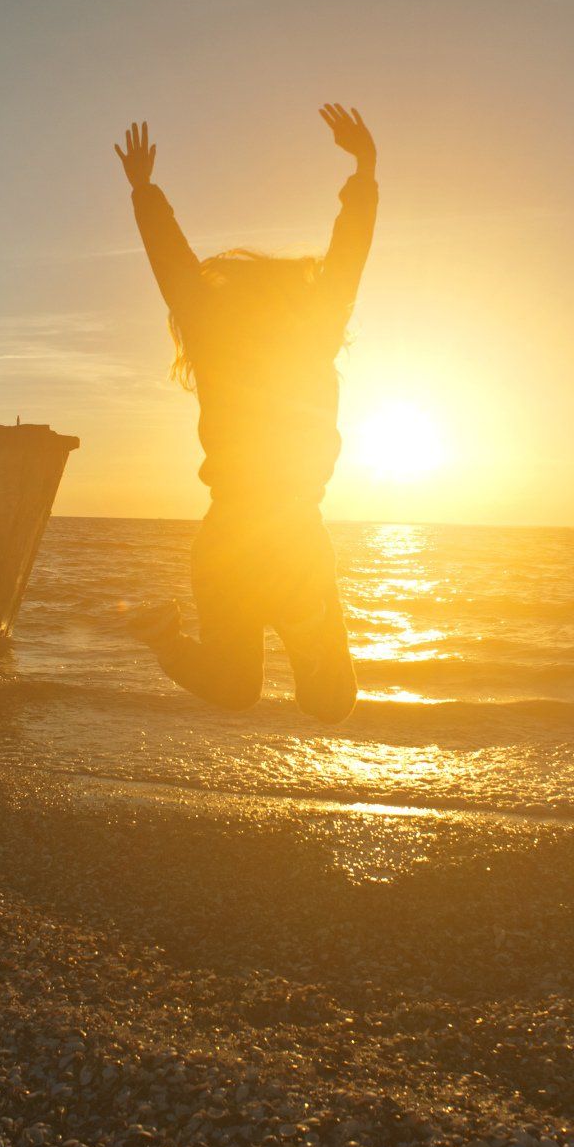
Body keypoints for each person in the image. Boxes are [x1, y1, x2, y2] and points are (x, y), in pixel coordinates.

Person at [114, 105, 378, 724]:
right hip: (291, 531)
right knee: (332, 704)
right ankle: (303, 615)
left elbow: (175, 272)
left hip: (227, 536)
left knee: (235, 689)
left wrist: (145, 192)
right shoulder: (313, 332)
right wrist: (364, 168)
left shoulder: (215, 342)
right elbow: (349, 257)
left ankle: (164, 638)